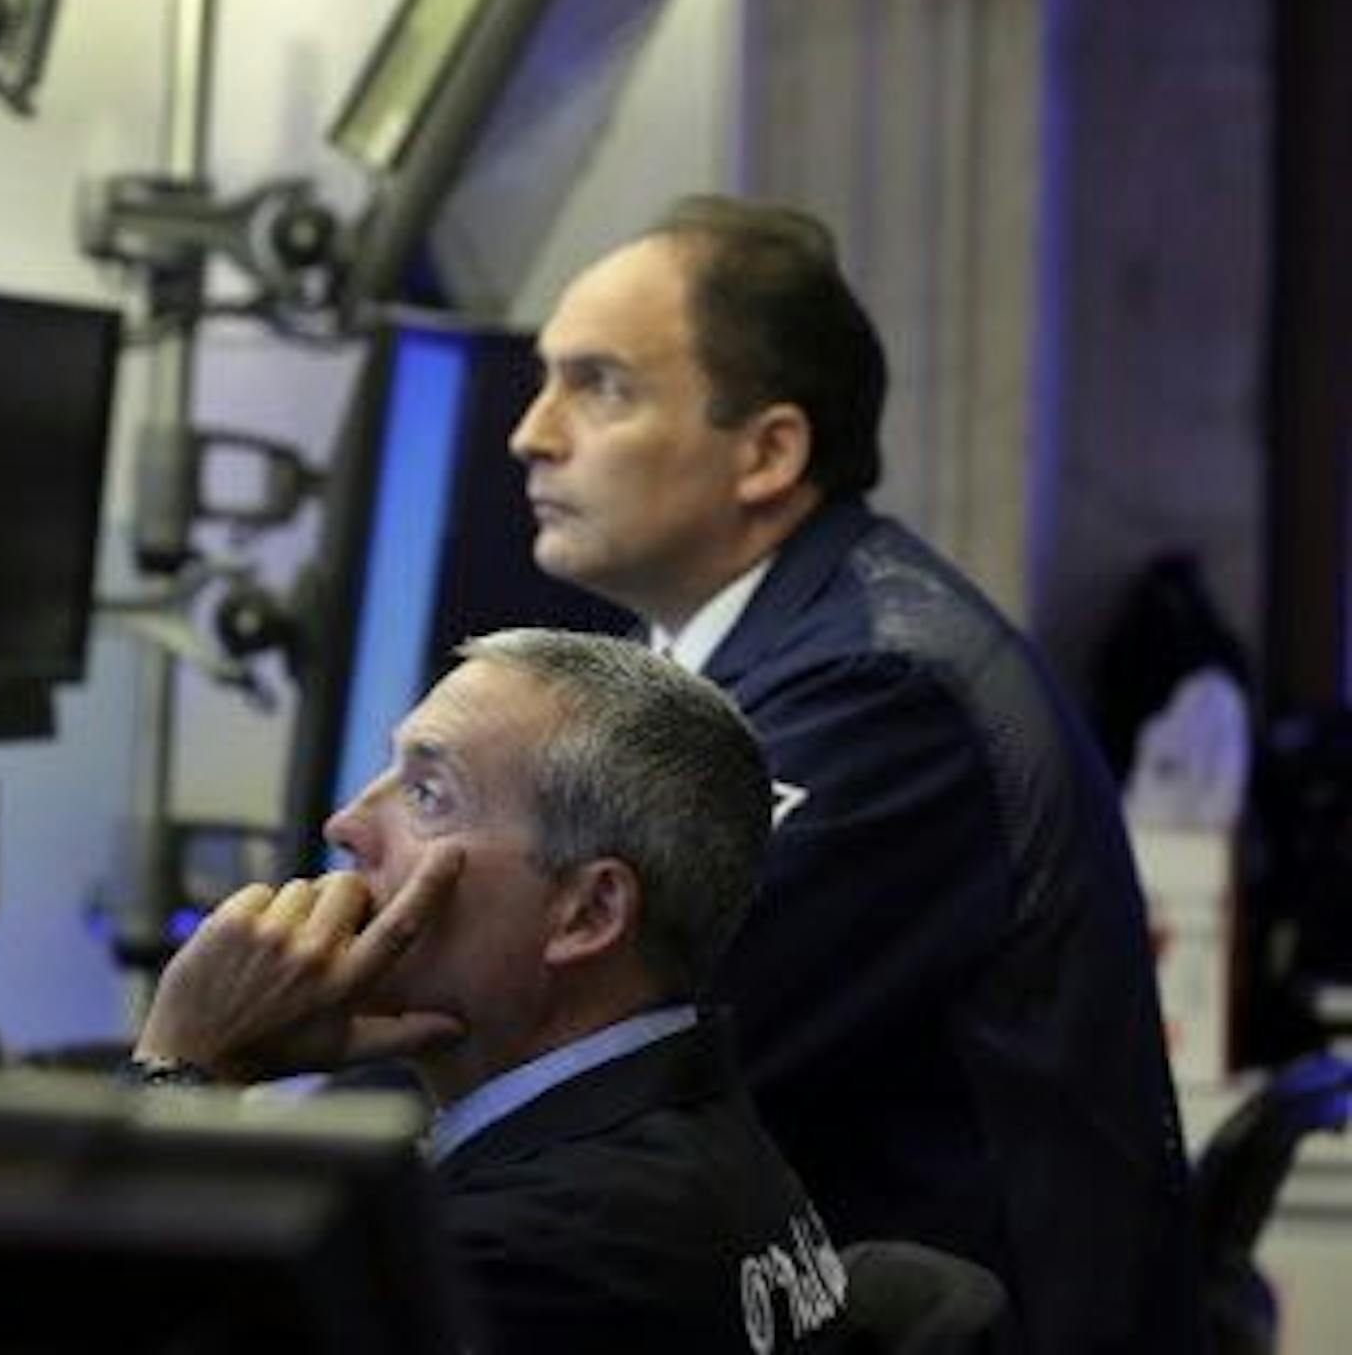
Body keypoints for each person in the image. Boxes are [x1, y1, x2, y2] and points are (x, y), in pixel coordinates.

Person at [508, 194, 1196, 1353]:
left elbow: (610, 1049)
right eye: (545, 379)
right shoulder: (713, 660)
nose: (533, 432)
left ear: (769, 452)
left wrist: (304, 1078)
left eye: (601, 386)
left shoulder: (877, 690)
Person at [135, 628, 852, 1354]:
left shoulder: (537, 1251)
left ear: (587, 913)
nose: (346, 824)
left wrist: (181, 1062)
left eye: (427, 793)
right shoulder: (683, 1136)